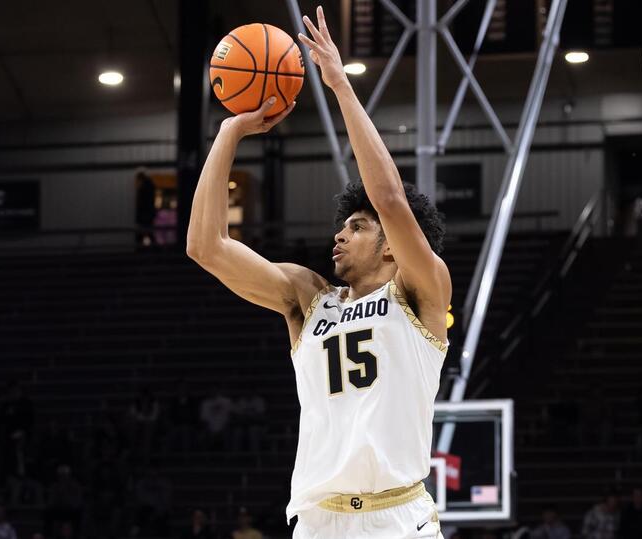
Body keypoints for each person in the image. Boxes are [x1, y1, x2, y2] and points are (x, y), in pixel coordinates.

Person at [187, 7, 449, 538]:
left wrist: (340, 86)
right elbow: (206, 247)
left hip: (398, 518)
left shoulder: (420, 292)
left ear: (392, 248)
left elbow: (390, 199)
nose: (340, 235)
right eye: (342, 226)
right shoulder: (308, 298)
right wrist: (230, 133)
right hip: (318, 521)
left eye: (357, 227)